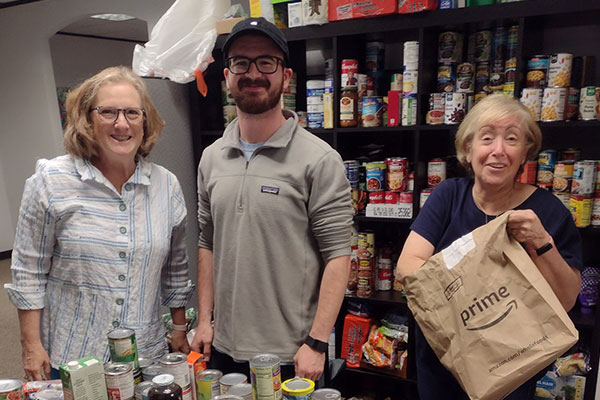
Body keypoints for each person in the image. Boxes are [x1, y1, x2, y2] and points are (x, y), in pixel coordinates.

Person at [5, 66, 194, 381]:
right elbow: (29, 272)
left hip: (145, 355)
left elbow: (175, 269)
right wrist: (30, 345)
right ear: (86, 119)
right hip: (74, 355)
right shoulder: (51, 181)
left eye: (133, 113)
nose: (122, 124)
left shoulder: (166, 185)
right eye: (108, 112)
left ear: (145, 121)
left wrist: (178, 328)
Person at [191, 17, 353, 382]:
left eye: (266, 62)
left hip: (292, 354)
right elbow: (207, 242)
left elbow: (338, 256)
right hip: (223, 347)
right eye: (241, 63)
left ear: (286, 76)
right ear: (227, 77)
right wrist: (204, 321)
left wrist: (316, 342)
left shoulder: (319, 159)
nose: (253, 73)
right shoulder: (212, 157)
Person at [395, 94, 582, 399]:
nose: (498, 151)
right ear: (468, 149)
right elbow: (407, 267)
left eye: (511, 139)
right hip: (442, 367)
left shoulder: (548, 212)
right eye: (487, 138)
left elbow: (566, 299)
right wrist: (477, 283)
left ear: (525, 153)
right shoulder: (448, 196)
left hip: (511, 370)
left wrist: (541, 242)